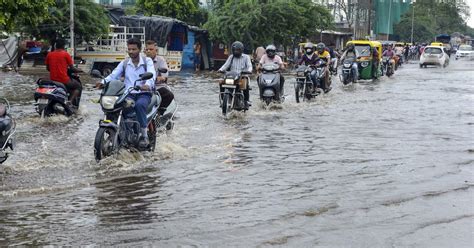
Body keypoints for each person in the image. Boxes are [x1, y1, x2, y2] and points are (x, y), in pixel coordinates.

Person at [96, 37, 156, 146]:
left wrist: (147, 85)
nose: (131, 52)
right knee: (117, 106)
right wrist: (103, 82)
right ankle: (123, 131)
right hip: (129, 93)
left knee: (140, 105)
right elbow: (114, 75)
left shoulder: (147, 61)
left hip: (143, 93)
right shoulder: (125, 63)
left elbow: (151, 75)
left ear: (139, 49)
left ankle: (143, 135)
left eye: (134, 49)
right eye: (129, 49)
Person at [45, 38, 82, 107]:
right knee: (78, 86)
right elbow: (72, 68)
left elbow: (48, 68)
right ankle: (70, 102)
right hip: (64, 80)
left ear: (55, 46)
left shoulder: (49, 55)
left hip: (53, 80)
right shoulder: (66, 55)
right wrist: (80, 70)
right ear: (64, 46)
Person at [218, 41, 253, 109]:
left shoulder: (246, 57)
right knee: (221, 82)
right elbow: (226, 65)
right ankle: (223, 99)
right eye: (235, 50)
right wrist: (220, 70)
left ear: (241, 50)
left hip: (242, 76)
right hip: (232, 77)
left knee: (245, 83)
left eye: (238, 50)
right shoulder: (231, 57)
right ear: (233, 50)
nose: (236, 51)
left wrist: (249, 71)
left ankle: (246, 101)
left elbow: (249, 66)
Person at [144, 40, 174, 118]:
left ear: (156, 51)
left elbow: (165, 74)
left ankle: (160, 112)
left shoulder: (161, 60)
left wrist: (160, 78)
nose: (148, 51)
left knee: (169, 95)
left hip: (157, 86)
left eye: (151, 49)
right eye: (147, 49)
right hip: (144, 87)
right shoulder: (142, 61)